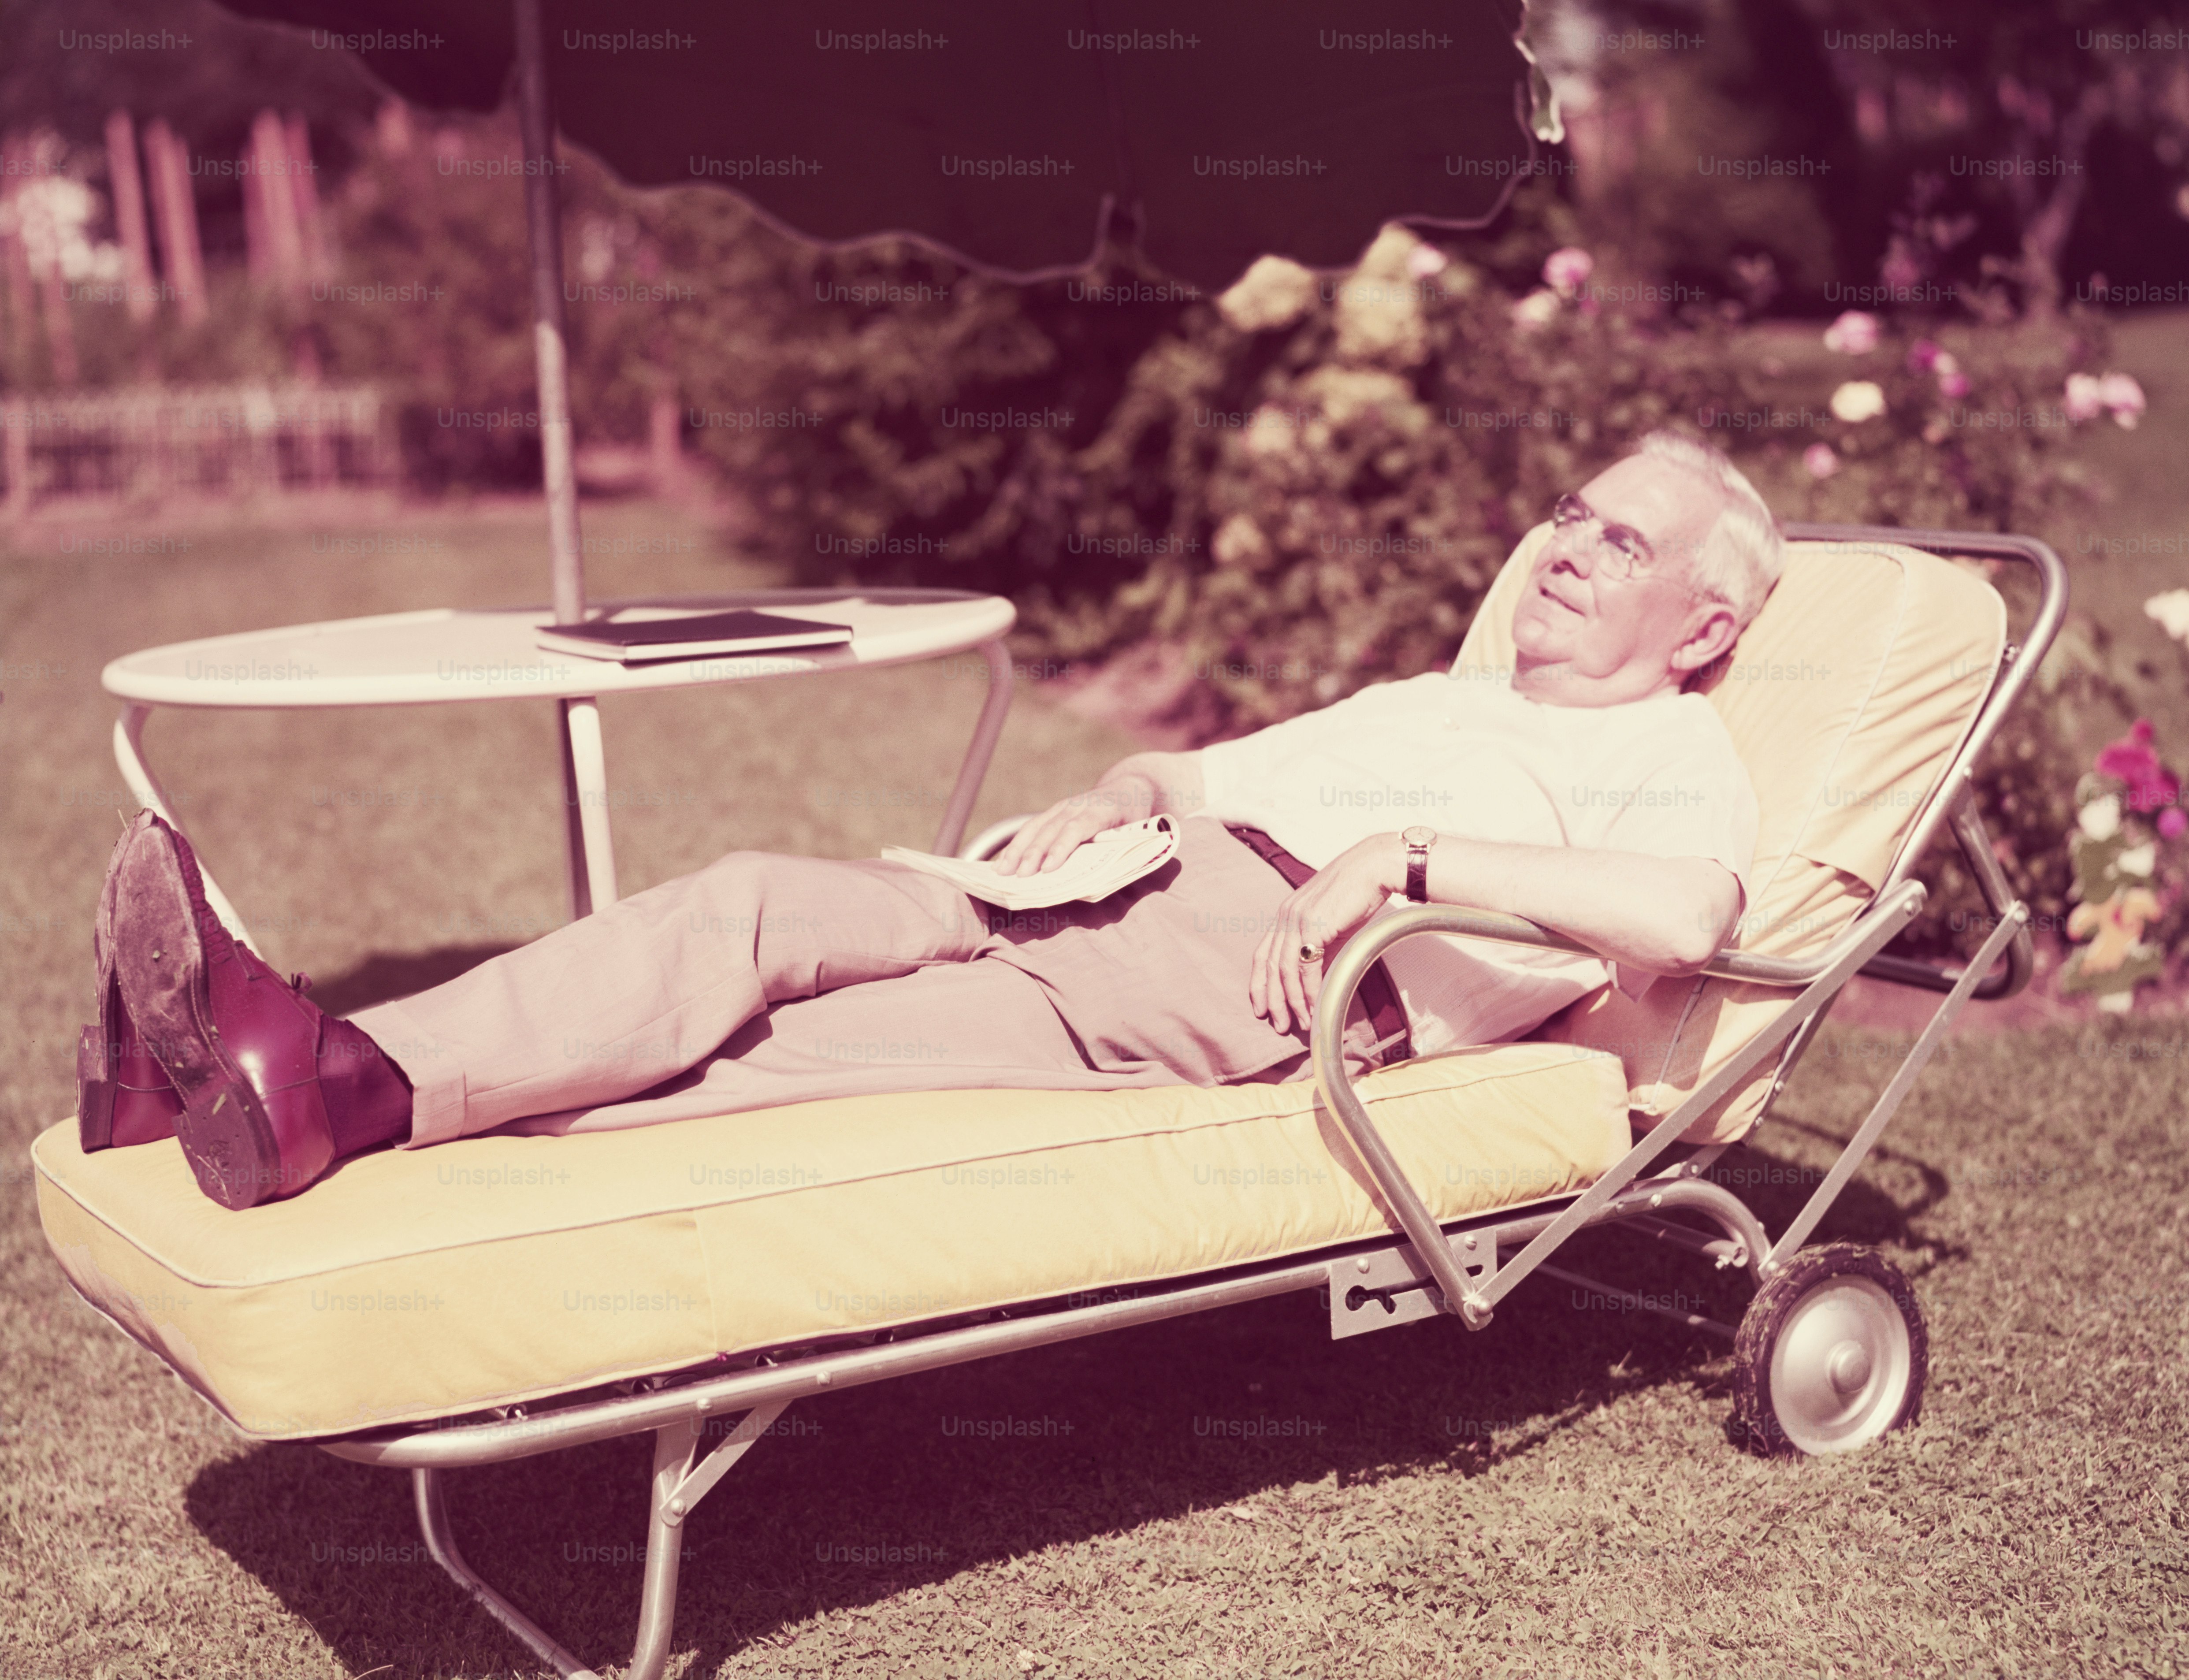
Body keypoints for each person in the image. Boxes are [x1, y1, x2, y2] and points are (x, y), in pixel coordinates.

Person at [78, 431, 1776, 1210]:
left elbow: (1690, 924)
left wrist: (1405, 862)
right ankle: (258, 1085)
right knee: (739, 906)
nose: (1562, 544)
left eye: (1621, 540)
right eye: (1566, 509)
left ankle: (306, 1095)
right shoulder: (1442, 697)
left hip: (1230, 968)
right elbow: (1200, 771)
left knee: (762, 1063)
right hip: (1108, 873)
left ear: (1702, 623)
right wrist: (1124, 786)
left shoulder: (1673, 751)